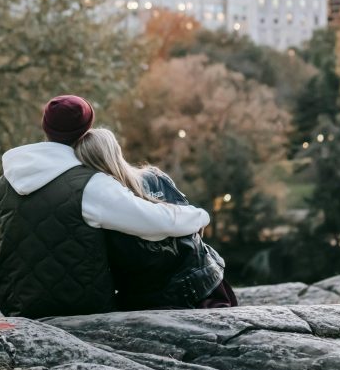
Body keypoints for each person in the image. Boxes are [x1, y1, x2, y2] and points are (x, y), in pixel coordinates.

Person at [0, 95, 210, 319]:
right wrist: (199, 216)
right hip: (76, 305)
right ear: (87, 128)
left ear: (45, 126)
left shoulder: (7, 180)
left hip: (15, 302)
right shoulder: (90, 184)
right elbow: (156, 223)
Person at [74, 128, 238, 310]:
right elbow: (193, 228)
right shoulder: (154, 177)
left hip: (149, 297)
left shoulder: (98, 201)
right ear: (115, 150)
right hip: (201, 283)